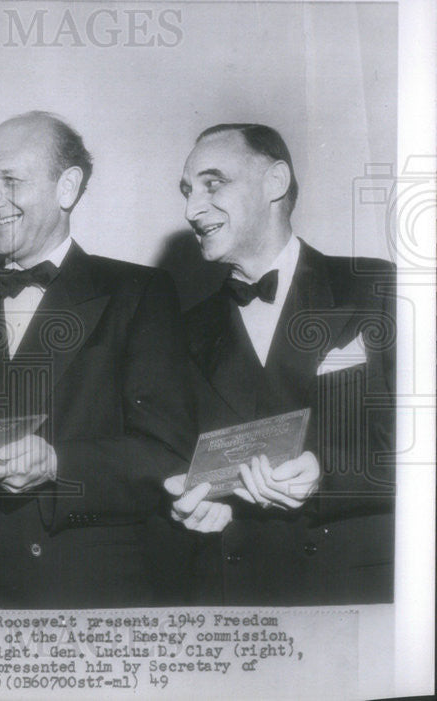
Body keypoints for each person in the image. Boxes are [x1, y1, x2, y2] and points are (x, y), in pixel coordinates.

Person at [0, 112, 196, 608]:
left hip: (84, 592)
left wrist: (59, 462)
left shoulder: (138, 293)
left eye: (10, 181)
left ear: (67, 188)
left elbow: (169, 452)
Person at [167, 123, 396, 604]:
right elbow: (182, 462)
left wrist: (327, 475)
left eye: (213, 184)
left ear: (275, 182)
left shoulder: (376, 288)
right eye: (188, 192)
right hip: (237, 592)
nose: (191, 210)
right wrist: (196, 505)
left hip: (352, 587)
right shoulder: (183, 329)